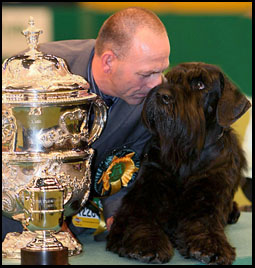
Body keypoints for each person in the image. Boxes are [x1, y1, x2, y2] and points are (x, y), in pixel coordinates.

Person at [2, 7, 170, 241]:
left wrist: (124, 218)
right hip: (13, 224)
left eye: (161, 71)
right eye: (146, 74)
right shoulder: (36, 74)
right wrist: (46, 223)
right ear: (109, 61)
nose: (157, 84)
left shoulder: (153, 98)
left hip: (85, 230)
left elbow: (130, 168)